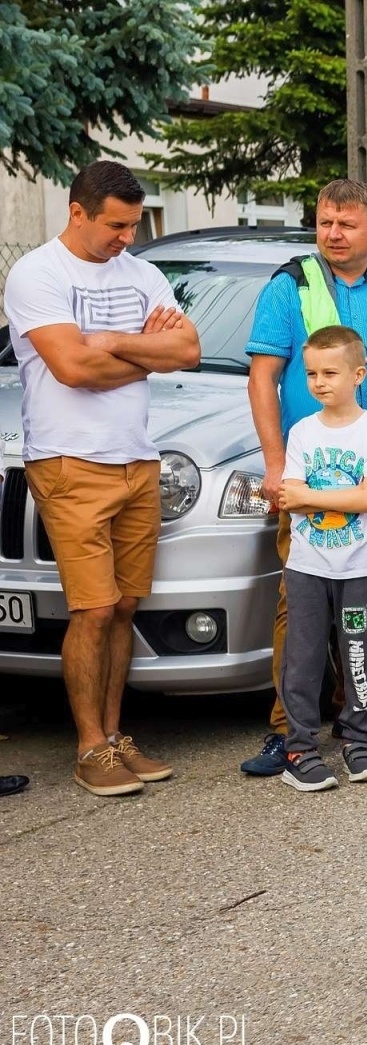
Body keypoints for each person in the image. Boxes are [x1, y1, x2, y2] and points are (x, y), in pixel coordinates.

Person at [2, 160, 200, 796]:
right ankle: (89, 748)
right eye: (115, 226)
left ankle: (116, 739)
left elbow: (188, 351)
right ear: (77, 212)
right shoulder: (37, 273)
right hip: (68, 460)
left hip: (136, 458)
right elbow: (71, 369)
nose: (126, 239)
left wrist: (108, 342)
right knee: (90, 609)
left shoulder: (143, 273)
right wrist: (141, 349)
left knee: (123, 608)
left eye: (133, 225)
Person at [240, 177, 367, 777]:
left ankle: (358, 710)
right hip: (311, 472)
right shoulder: (291, 287)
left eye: (346, 224)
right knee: (295, 603)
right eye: (325, 221)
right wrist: (277, 466)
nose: (332, 233)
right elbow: (262, 379)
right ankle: (286, 727)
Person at [275, 326, 367, 791]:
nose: (319, 382)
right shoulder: (303, 433)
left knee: (358, 655)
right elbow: (290, 497)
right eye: (311, 373)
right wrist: (328, 495)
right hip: (308, 566)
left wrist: (314, 495)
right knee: (302, 657)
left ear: (359, 375)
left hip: (361, 567)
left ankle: (357, 737)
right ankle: (299, 747)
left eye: (330, 372)